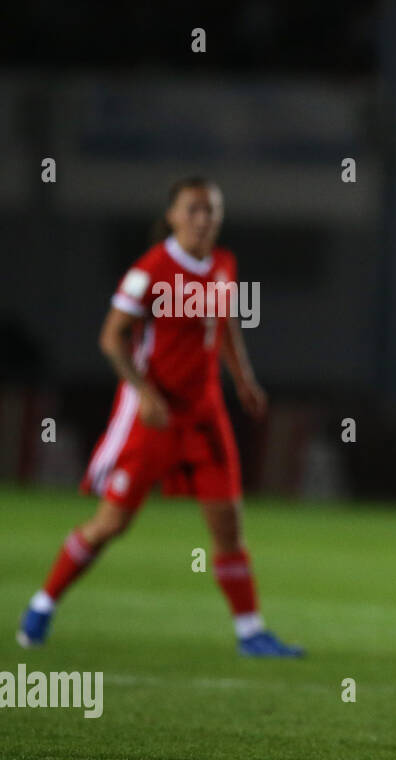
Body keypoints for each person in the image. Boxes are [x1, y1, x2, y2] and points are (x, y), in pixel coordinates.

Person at [16, 177, 302, 658]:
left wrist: (244, 379)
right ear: (171, 216)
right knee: (111, 523)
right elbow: (111, 337)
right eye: (193, 209)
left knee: (228, 524)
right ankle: (43, 605)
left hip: (205, 414)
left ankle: (251, 632)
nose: (203, 218)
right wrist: (144, 393)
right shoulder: (150, 270)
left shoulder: (224, 265)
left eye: (211, 210)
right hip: (155, 416)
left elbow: (226, 325)